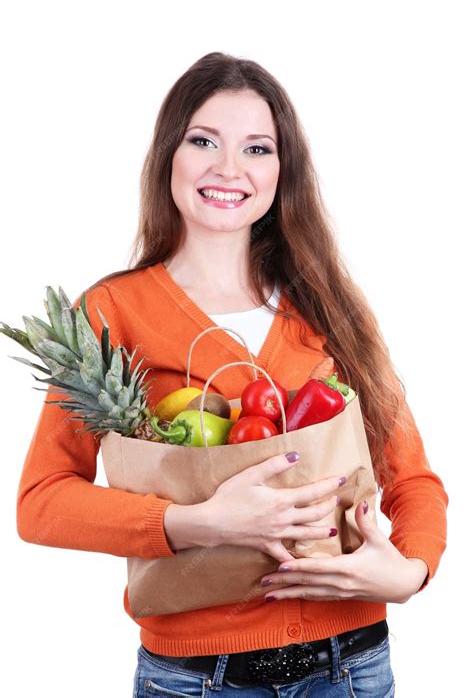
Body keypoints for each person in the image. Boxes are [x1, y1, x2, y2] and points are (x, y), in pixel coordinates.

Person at [16, 52, 448, 697]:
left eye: (257, 147)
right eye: (203, 141)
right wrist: (196, 524)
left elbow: (412, 478)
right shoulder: (112, 311)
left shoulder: (330, 303)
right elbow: (41, 502)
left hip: (352, 667)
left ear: (282, 171)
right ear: (170, 155)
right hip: (198, 678)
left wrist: (409, 572)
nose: (229, 168)